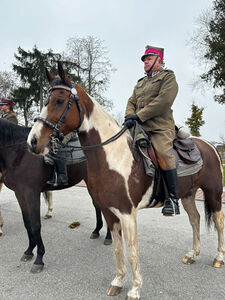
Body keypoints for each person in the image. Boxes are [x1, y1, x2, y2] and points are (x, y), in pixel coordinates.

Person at [124, 45, 179, 216]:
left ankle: (172, 199)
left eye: (148, 59)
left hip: (159, 127)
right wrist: (129, 117)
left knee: (163, 152)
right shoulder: (141, 83)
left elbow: (164, 101)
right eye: (144, 60)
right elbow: (131, 101)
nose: (145, 62)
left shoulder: (168, 77)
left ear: (158, 60)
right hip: (139, 128)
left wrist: (139, 116)